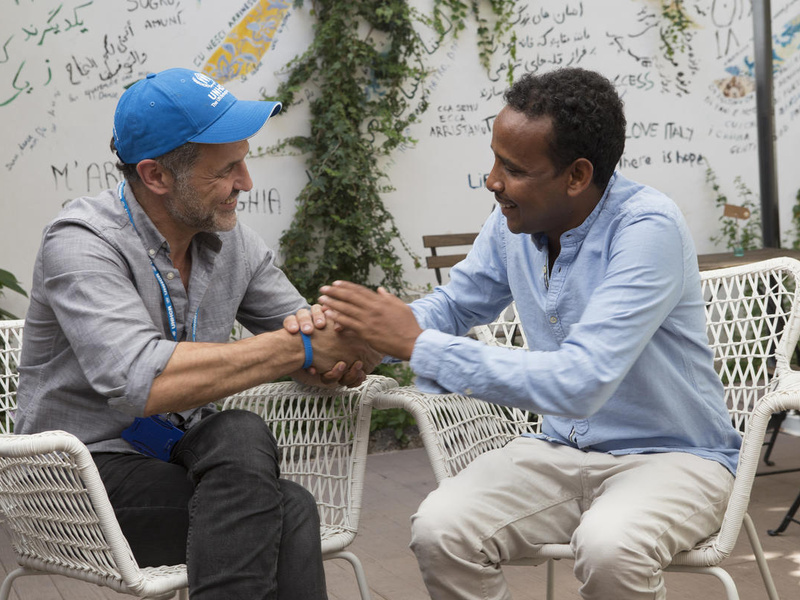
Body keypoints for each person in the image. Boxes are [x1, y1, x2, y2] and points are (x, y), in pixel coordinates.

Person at [316, 67, 742, 599]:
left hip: (676, 459)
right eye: (495, 159)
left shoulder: (646, 227)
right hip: (558, 451)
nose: (493, 181)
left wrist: (415, 344)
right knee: (441, 529)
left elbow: (581, 382)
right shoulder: (513, 222)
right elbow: (455, 303)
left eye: (513, 169)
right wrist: (363, 339)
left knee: (612, 547)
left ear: (576, 176)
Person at [16, 67, 378, 600]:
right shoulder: (82, 242)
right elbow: (144, 382)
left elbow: (308, 336)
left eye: (244, 162)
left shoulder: (233, 243)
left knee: (240, 432)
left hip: (178, 457)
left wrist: (355, 343)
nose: (246, 183)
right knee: (290, 509)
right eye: (226, 169)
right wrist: (298, 347)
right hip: (73, 479)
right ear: (156, 176)